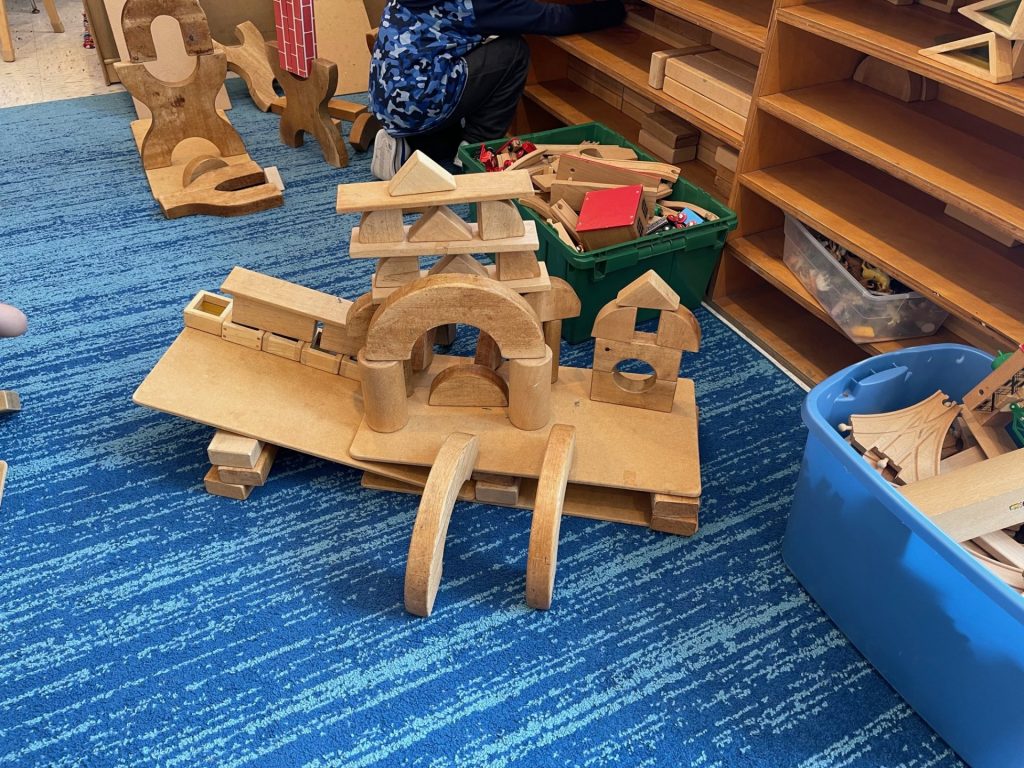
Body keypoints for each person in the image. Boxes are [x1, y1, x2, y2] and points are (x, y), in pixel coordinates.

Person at [369, 0, 627, 180]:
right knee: (513, 51)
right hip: (421, 99)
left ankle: (409, 144)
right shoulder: (479, 4)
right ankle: (475, 149)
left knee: (446, 134)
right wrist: (616, 10)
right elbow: (552, 19)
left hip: (387, 98)